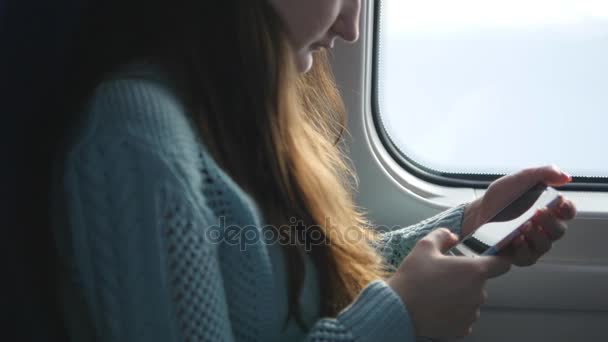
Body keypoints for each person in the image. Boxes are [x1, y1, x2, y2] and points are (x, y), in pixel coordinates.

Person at [50, 0, 577, 341]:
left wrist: (471, 219)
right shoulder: (136, 141)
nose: (350, 25)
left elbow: (296, 286)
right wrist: (399, 319)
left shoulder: (228, 111)